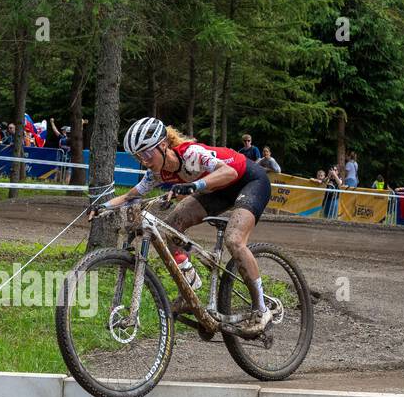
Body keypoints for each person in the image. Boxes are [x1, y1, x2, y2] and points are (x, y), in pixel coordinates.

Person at [99, 117, 274, 328]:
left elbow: (230, 172)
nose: (144, 160)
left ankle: (261, 309)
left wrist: (194, 185)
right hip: (215, 190)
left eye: (146, 153)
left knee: (234, 239)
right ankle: (190, 278)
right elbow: (129, 196)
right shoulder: (156, 172)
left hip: (248, 181)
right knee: (171, 226)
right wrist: (102, 207)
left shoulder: (191, 153)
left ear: (163, 145)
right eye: (138, 156)